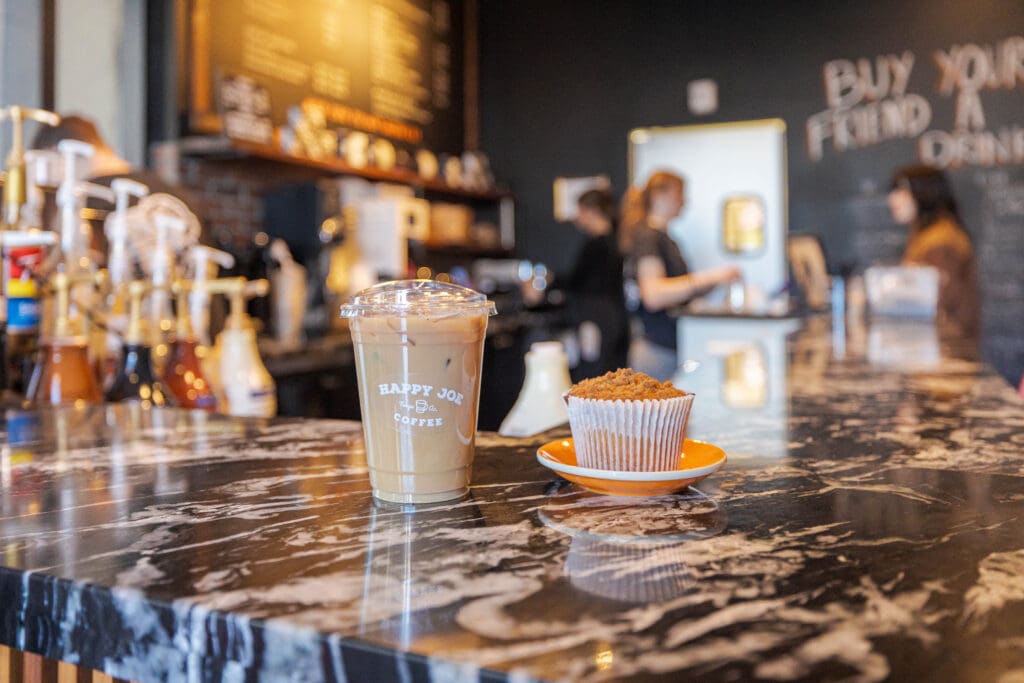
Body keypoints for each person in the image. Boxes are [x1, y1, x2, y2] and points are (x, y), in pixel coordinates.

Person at [621, 170, 741, 380]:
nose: (685, 202)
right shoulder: (648, 238)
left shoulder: (665, 238)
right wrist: (711, 277)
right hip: (656, 350)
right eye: (680, 195)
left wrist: (710, 285)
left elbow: (679, 292)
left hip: (669, 347)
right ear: (660, 195)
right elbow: (654, 295)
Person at [887, 164, 979, 338]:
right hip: (939, 347)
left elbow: (933, 304)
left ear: (926, 193)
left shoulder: (941, 241)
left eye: (902, 191)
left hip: (946, 350)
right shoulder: (929, 236)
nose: (892, 199)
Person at [562, 188, 630, 380]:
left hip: (596, 321)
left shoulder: (596, 246)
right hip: (615, 319)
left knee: (594, 377)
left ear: (591, 211)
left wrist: (547, 283)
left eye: (581, 211)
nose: (578, 217)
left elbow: (575, 280)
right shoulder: (618, 242)